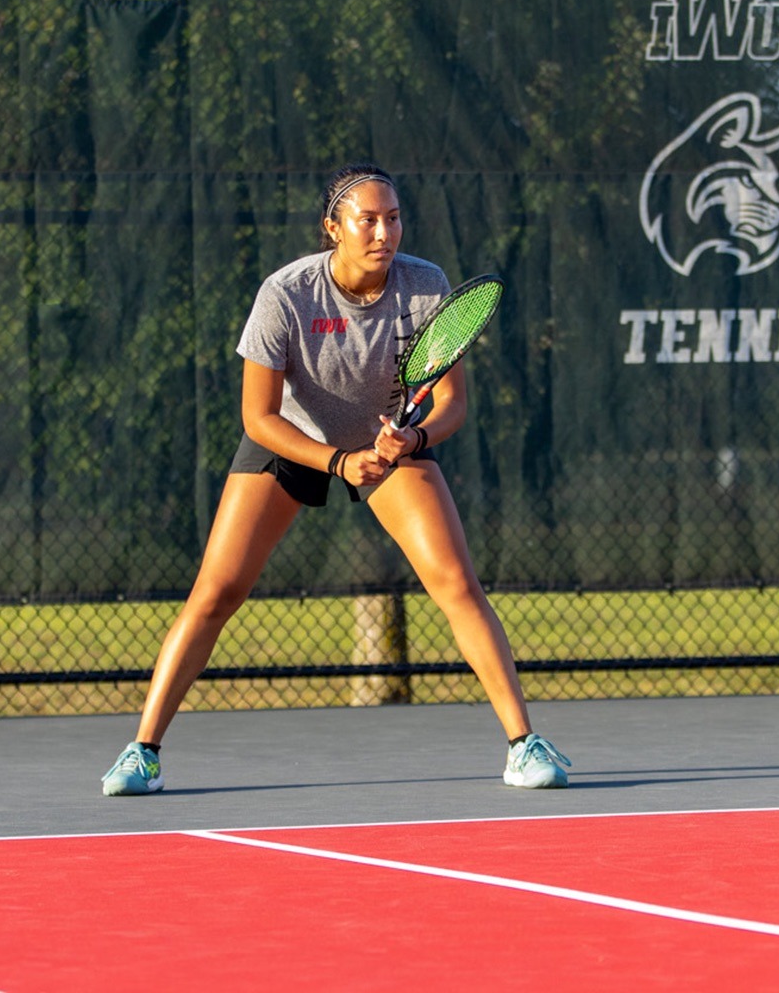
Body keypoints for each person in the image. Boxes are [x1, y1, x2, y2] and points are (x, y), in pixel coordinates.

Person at [101, 162, 570, 795]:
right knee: (216, 592)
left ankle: (523, 744)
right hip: (292, 443)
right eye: (368, 219)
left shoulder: (427, 284)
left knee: (456, 583)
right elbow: (257, 416)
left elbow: (452, 403)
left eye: (394, 218)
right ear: (334, 227)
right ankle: (143, 753)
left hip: (390, 444)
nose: (384, 232)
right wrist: (337, 461)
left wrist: (415, 437)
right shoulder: (286, 294)